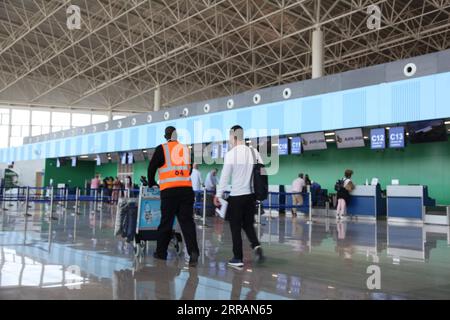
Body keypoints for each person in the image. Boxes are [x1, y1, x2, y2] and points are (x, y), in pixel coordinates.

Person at [147, 126, 199, 266]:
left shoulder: (162, 148)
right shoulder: (185, 149)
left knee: (166, 222)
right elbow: (188, 171)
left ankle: (161, 253)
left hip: (169, 192)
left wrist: (151, 182)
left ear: (166, 136)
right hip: (186, 191)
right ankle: (193, 251)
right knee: (187, 223)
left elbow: (151, 167)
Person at [214, 125, 264, 268]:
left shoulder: (231, 154)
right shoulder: (254, 152)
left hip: (236, 196)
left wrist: (218, 194)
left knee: (235, 227)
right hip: (251, 196)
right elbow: (262, 173)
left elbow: (224, 177)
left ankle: (238, 258)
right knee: (248, 224)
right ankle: (256, 246)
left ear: (233, 136)